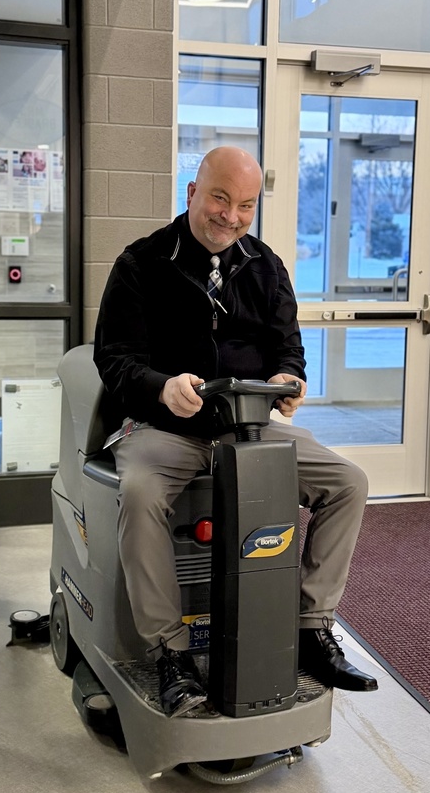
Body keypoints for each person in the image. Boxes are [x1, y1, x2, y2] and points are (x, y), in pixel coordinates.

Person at [94, 146, 377, 718]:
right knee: (142, 492)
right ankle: (168, 652)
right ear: (192, 192)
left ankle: (309, 628)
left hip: (248, 428)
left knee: (349, 483)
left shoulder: (266, 265)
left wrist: (288, 378)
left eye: (245, 205)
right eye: (220, 198)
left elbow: (288, 347)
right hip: (169, 429)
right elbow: (116, 359)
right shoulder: (141, 264)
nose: (230, 216)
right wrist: (159, 385)